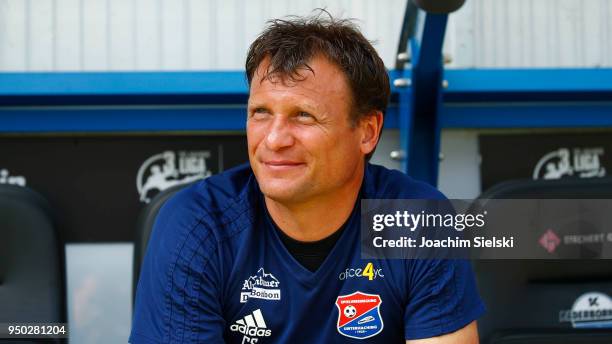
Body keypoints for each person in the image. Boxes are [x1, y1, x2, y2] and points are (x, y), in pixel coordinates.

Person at [130, 12, 485, 344]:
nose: (274, 139)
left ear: (367, 131)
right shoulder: (197, 227)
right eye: (261, 113)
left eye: (303, 116)